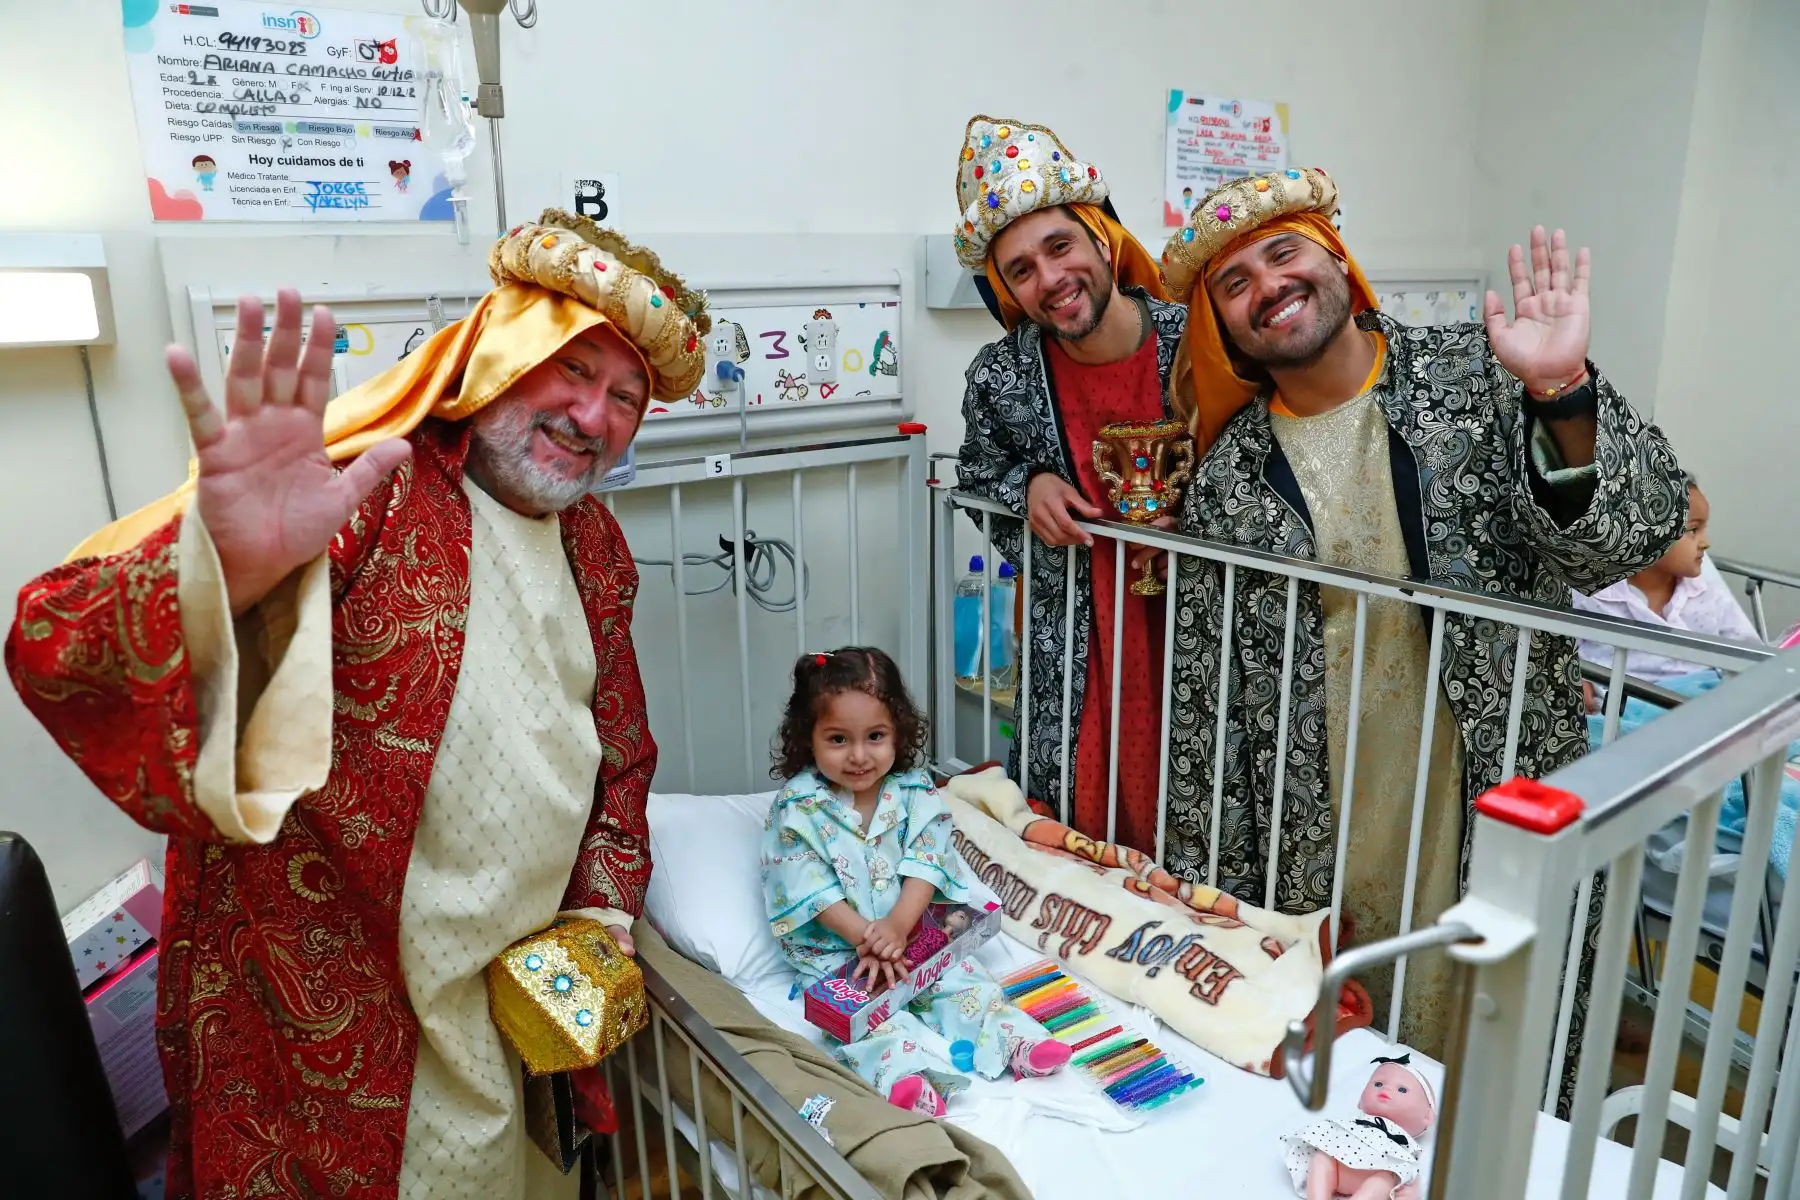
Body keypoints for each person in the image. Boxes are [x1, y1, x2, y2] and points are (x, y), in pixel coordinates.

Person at [5, 210, 709, 1199]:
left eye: (626, 397)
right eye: (575, 370)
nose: (595, 417)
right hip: (338, 1011)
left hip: (513, 1005)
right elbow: (58, 646)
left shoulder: (598, 550)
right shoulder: (365, 488)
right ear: (497, 352)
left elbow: (622, 752)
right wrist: (224, 573)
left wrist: (600, 910)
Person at [1155, 169, 1687, 1088]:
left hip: (1491, 776)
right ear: (1223, 328)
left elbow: (1625, 540)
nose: (1267, 285)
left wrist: (1561, 391)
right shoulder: (1229, 481)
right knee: (1346, 1057)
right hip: (1320, 811)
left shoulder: (1474, 375)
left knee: (1507, 1034)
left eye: (1284, 253)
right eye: (1233, 283)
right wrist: (1213, 885)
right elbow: (1211, 702)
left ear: (1338, 262)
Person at [950, 113, 1187, 849]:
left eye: (1060, 246)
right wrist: (1028, 487)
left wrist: (1204, 520)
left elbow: (1264, 471)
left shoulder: (1197, 346)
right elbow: (976, 473)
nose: (1050, 279)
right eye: (1021, 269)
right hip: (1074, 640)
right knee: (1076, 828)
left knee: (1201, 820)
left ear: (1101, 238)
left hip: (1198, 631)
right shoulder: (1002, 378)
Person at [760, 647, 1071, 1116]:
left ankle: (1015, 1042)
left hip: (913, 934)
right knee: (858, 1022)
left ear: (898, 731)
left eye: (876, 736)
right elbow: (807, 889)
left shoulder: (913, 788)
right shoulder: (796, 807)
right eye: (839, 739)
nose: (860, 756)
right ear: (809, 738)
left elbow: (928, 860)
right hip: (838, 950)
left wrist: (899, 926)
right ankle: (903, 1078)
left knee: (962, 983)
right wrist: (869, 939)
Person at [1573, 474, 1763, 687]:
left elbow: (1749, 654)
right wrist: (1576, 682)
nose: (1705, 543)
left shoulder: (1705, 589)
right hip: (1625, 708)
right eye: (1693, 530)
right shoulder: (1593, 593)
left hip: (1702, 699)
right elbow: (1553, 651)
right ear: (1648, 536)